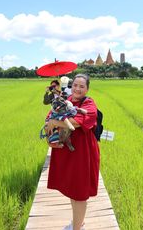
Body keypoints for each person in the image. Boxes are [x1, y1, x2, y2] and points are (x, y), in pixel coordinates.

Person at [46, 74, 100, 230]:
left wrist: (55, 121)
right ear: (71, 85)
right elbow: (49, 119)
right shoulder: (65, 99)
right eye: (75, 85)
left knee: (80, 192)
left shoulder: (89, 103)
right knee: (72, 189)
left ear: (87, 89)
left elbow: (77, 122)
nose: (77, 88)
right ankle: (78, 222)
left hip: (83, 153)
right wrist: (49, 137)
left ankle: (77, 228)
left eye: (82, 86)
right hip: (67, 152)